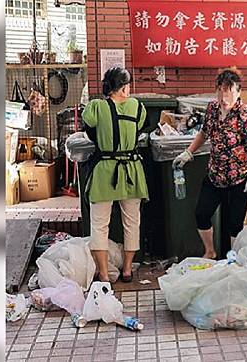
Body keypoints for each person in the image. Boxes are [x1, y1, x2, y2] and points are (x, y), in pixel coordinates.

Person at [173, 67, 247, 259]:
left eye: (229, 92)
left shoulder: (245, 115)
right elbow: (204, 133)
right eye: (221, 91)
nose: (224, 97)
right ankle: (210, 251)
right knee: (201, 213)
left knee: (234, 225)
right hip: (215, 175)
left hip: (238, 179)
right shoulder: (212, 109)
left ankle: (234, 260)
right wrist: (189, 152)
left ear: (238, 92)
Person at [82, 67, 148, 283]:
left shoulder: (96, 107)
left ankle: (103, 273)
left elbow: (89, 128)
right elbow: (140, 128)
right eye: (127, 85)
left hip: (104, 171)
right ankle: (127, 270)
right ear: (122, 88)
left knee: (99, 224)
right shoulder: (137, 106)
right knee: (132, 223)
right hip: (131, 170)